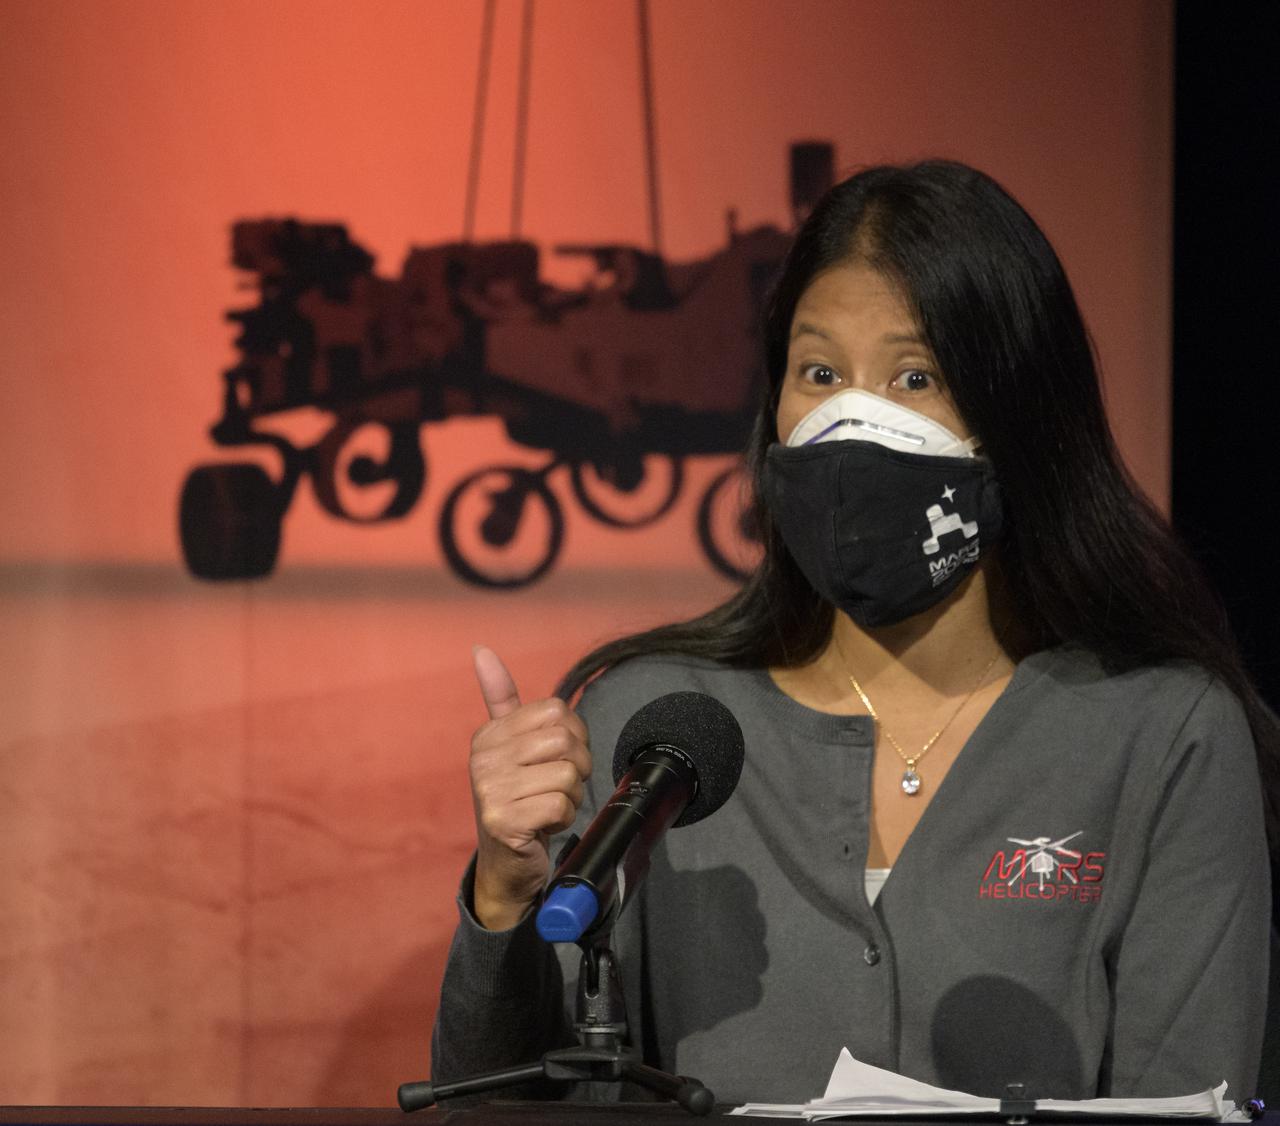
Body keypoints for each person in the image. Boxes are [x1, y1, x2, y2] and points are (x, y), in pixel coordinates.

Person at [431, 161, 1276, 1105]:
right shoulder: (660, 729)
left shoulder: (1163, 734)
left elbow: (1199, 1089)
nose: (852, 420)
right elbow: (498, 1105)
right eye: (820, 373)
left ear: (1017, 416)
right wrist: (505, 894)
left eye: (915, 377)